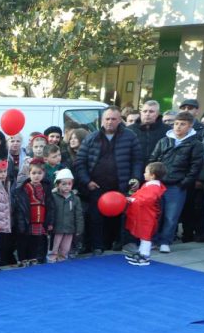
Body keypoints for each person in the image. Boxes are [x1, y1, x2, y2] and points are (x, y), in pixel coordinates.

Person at [73, 106, 144, 254]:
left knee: (125, 217)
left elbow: (137, 160)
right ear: (102, 120)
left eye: (113, 119)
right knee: (96, 218)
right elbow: (80, 162)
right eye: (107, 118)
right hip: (96, 187)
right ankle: (98, 246)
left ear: (120, 120)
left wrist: (136, 178)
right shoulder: (91, 137)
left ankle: (124, 243)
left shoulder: (130, 137)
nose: (110, 122)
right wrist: (87, 181)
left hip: (122, 185)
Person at [150, 110, 203, 253]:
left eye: (182, 124)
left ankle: (165, 241)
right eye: (176, 124)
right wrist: (153, 178)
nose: (178, 127)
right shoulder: (164, 141)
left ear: (190, 126)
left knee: (171, 216)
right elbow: (153, 159)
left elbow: (195, 167)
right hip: (159, 184)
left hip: (177, 186)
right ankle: (152, 240)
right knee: (156, 214)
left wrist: (184, 183)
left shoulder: (195, 144)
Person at [12, 158, 55, 266]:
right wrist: (21, 222)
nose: (36, 176)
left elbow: (50, 206)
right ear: (28, 173)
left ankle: (32, 257)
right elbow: (20, 208)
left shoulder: (46, 188)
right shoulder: (24, 188)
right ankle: (22, 259)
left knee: (36, 240)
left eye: (39, 173)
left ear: (44, 174)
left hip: (40, 219)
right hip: (28, 220)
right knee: (24, 240)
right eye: (34, 173)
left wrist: (49, 222)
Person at [125, 162, 168, 266]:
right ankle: (141, 253)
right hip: (146, 215)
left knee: (145, 237)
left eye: (146, 172)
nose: (144, 174)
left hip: (148, 216)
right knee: (143, 236)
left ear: (152, 175)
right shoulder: (151, 186)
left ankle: (144, 256)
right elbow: (141, 196)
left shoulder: (153, 188)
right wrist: (131, 198)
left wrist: (132, 200)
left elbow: (146, 199)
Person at [48, 169, 83, 263]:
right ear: (57, 184)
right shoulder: (53, 197)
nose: (67, 186)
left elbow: (79, 215)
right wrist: (50, 224)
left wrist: (79, 228)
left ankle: (62, 260)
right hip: (57, 228)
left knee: (65, 248)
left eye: (69, 184)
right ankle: (51, 260)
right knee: (54, 247)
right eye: (64, 184)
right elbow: (50, 212)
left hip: (70, 228)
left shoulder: (75, 199)